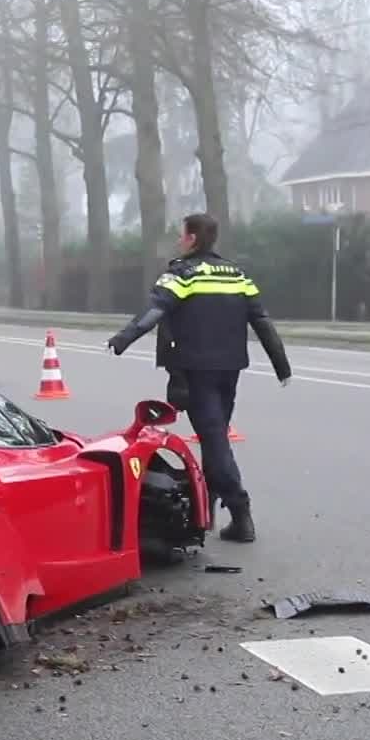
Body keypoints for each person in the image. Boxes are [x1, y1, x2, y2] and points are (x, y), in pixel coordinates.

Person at [105, 213, 292, 543]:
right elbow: (261, 319)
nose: (179, 240)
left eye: (182, 235)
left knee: (215, 440)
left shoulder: (182, 274)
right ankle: (205, 513)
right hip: (230, 369)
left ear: (192, 239)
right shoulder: (237, 274)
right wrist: (282, 366)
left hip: (196, 370)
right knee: (213, 437)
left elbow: (155, 310)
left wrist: (122, 339)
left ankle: (241, 512)